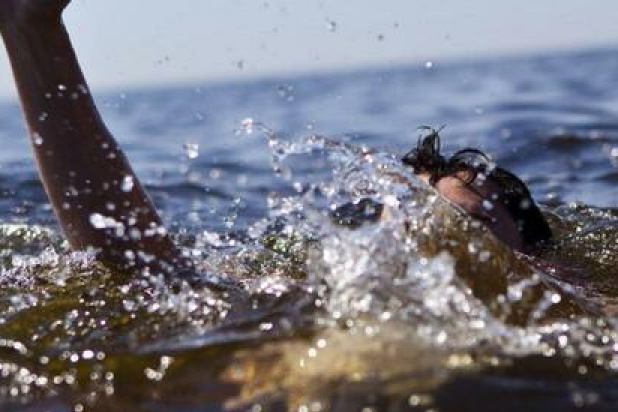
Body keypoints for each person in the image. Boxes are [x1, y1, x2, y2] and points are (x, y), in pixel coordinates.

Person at [0, 0, 552, 276]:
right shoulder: (314, 310)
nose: (432, 239)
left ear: (542, 261)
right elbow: (142, 268)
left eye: (466, 224)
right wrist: (33, 29)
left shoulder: (581, 316)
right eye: (412, 222)